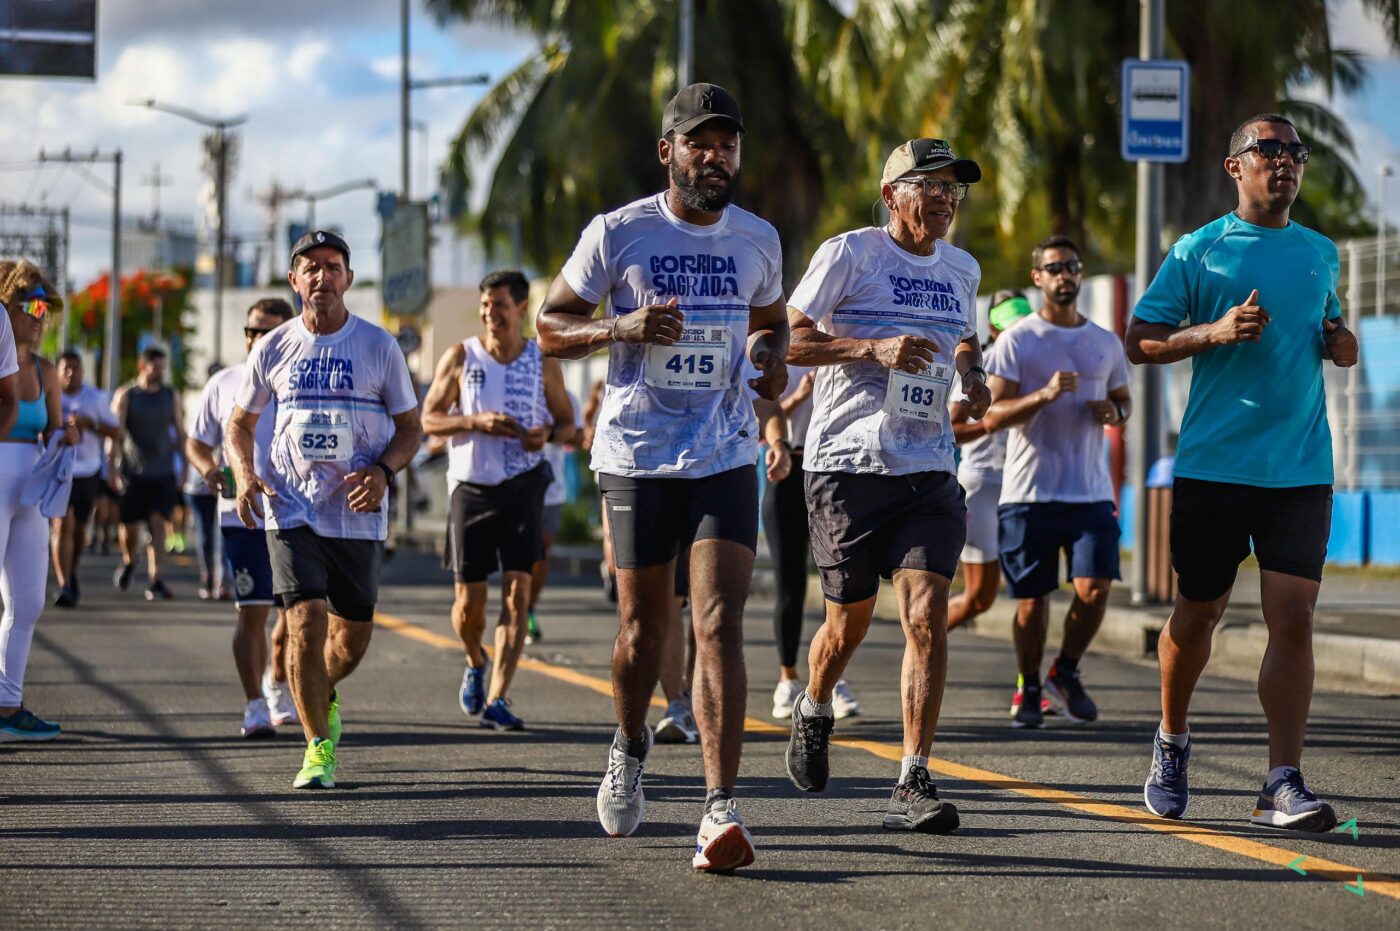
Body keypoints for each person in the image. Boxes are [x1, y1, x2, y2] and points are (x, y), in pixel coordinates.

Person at [537, 82, 788, 872]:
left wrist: (771, 359)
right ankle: (628, 742)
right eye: (699, 143)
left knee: (718, 622)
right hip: (637, 454)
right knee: (644, 631)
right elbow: (549, 326)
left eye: (727, 145)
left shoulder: (759, 239)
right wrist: (622, 325)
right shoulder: (619, 232)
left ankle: (719, 808)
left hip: (725, 450)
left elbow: (771, 324)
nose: (715, 157)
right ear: (667, 151)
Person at [1127, 114, 1358, 832]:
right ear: (1235, 167)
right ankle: (1172, 738)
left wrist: (1341, 343)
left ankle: (1280, 782)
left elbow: (1329, 327)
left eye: (1295, 151)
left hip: (1300, 466)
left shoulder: (1321, 252)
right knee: (1199, 613)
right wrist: (1213, 332)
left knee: (1294, 618)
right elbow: (1140, 340)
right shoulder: (1199, 251)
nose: (1285, 160)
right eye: (1269, 149)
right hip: (1216, 466)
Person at [783, 138, 988, 834]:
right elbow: (790, 340)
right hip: (846, 463)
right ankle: (815, 702)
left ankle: (913, 776)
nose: (945, 198)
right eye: (929, 185)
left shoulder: (962, 267)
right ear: (891, 193)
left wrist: (974, 374)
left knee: (927, 615)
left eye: (953, 187)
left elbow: (963, 335)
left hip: (928, 466)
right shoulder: (851, 254)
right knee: (848, 623)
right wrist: (871, 347)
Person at [228, 230, 422, 789]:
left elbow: (410, 429)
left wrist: (383, 472)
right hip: (290, 507)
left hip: (356, 510)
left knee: (350, 641)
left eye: (333, 266)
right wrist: (244, 475)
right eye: (310, 267)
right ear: (295, 281)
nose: (322, 276)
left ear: (348, 279)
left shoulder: (378, 346)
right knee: (305, 621)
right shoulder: (272, 347)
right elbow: (239, 423)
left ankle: (322, 688)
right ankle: (317, 747)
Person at [981, 238, 1132, 729]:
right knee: (1032, 602)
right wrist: (1042, 396)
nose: (1065, 275)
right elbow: (991, 416)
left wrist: (1115, 413)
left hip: (1089, 492)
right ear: (1037, 277)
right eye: (1054, 268)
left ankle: (1064, 671)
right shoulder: (1018, 340)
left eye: (1072, 266)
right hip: (1029, 492)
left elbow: (1124, 401)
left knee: (1095, 589)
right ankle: (1028, 684)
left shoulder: (1105, 342)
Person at [422, 269, 575, 731]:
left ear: (522, 308)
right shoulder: (461, 356)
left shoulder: (541, 360)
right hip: (471, 487)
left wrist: (545, 435)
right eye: (485, 305)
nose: (490, 313)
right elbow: (429, 419)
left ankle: (498, 697)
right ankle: (475, 659)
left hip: (524, 485)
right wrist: (474, 422)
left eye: (500, 305)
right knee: (468, 607)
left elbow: (567, 424)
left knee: (517, 593)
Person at [187, 297, 299, 739]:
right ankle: (254, 705)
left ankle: (277, 680)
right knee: (253, 612)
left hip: (296, 513)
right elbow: (197, 441)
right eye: (251, 331)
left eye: (267, 332)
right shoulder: (224, 383)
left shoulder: (302, 381)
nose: (256, 339)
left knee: (296, 614)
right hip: (243, 515)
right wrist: (208, 469)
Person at [0, 261, 77, 740]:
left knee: (27, 602)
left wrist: (67, 436)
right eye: (32, 305)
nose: (41, 317)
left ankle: (7, 704)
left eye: (47, 309)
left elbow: (51, 430)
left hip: (30, 491)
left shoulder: (46, 371)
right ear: (6, 305)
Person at [761, 368, 863, 720]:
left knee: (835, 585)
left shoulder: (840, 354)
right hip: (788, 468)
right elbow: (762, 422)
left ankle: (833, 679)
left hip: (833, 473)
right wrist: (801, 393)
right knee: (789, 584)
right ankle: (787, 678)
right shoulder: (781, 360)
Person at [945, 291, 1029, 636]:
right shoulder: (985, 365)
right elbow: (952, 429)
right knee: (979, 596)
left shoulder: (1038, 362)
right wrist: (991, 424)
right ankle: (920, 646)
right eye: (1011, 328)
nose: (1018, 336)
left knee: (1029, 593)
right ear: (994, 330)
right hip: (983, 483)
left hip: (1022, 483)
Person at [111, 345, 184, 600]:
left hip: (162, 471)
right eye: (156, 367)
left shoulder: (170, 395)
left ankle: (156, 579)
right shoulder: (127, 395)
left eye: (163, 368)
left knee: (158, 524)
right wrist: (112, 468)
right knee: (129, 528)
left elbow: (180, 432)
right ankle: (130, 560)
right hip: (133, 472)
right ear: (142, 366)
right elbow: (116, 434)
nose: (160, 372)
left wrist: (184, 467)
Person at [51, 350, 121, 608]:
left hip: (88, 472)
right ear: (58, 372)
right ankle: (64, 585)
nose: (71, 373)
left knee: (80, 530)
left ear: (83, 371)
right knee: (62, 525)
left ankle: (71, 571)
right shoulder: (50, 396)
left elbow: (116, 432)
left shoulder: (96, 398)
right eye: (66, 368)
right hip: (57, 472)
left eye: (76, 368)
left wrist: (91, 424)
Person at [527, 384, 582, 645]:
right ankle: (514, 609)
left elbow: (579, 437)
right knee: (518, 553)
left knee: (541, 552)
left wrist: (551, 433)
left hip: (551, 489)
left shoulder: (565, 397)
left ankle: (529, 608)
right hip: (513, 484)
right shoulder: (514, 384)